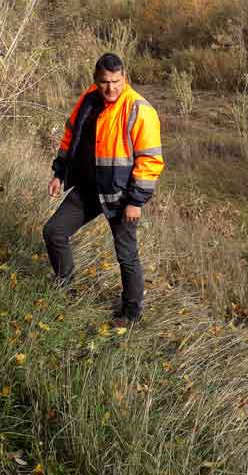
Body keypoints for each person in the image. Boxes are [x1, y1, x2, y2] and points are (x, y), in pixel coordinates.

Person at [43, 53, 164, 326]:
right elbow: (71, 136)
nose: (110, 88)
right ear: (95, 80)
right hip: (88, 189)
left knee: (126, 255)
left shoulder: (139, 109)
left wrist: (136, 201)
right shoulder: (89, 99)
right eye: (104, 82)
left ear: (124, 78)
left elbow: (150, 160)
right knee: (54, 232)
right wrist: (59, 173)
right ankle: (65, 287)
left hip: (120, 197)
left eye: (115, 81)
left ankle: (131, 314)